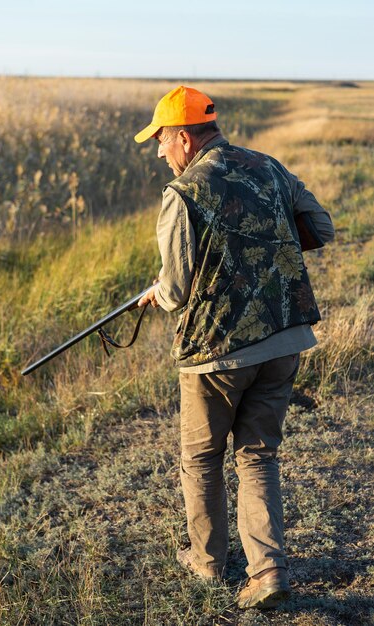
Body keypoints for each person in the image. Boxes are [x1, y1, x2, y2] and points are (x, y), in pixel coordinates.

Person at [135, 85, 334, 610]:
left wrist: (158, 291)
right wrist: (267, 253)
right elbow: (321, 227)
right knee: (258, 456)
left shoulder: (182, 193)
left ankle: (206, 563)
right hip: (285, 338)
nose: (159, 152)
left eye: (160, 140)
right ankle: (268, 571)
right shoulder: (269, 167)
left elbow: (176, 293)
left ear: (183, 136)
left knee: (201, 459)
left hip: (216, 355)